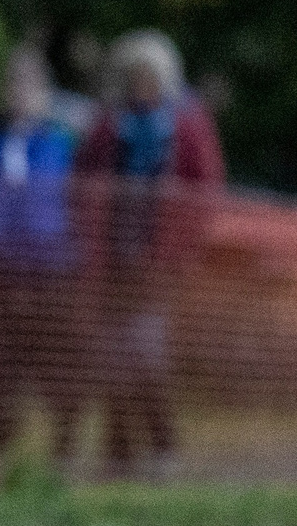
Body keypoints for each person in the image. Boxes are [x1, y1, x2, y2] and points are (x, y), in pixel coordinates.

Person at [76, 28, 225, 477]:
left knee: (146, 352)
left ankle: (162, 445)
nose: (142, 85)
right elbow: (84, 182)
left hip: (160, 263)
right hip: (114, 259)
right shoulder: (108, 124)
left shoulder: (186, 124)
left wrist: (180, 248)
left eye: (150, 76)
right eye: (134, 76)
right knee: (112, 355)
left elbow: (206, 189)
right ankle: (118, 448)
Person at [0, 47, 83, 470]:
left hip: (51, 270)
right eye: (14, 85)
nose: (21, 94)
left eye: (30, 86)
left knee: (54, 359)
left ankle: (64, 451)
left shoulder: (60, 144)